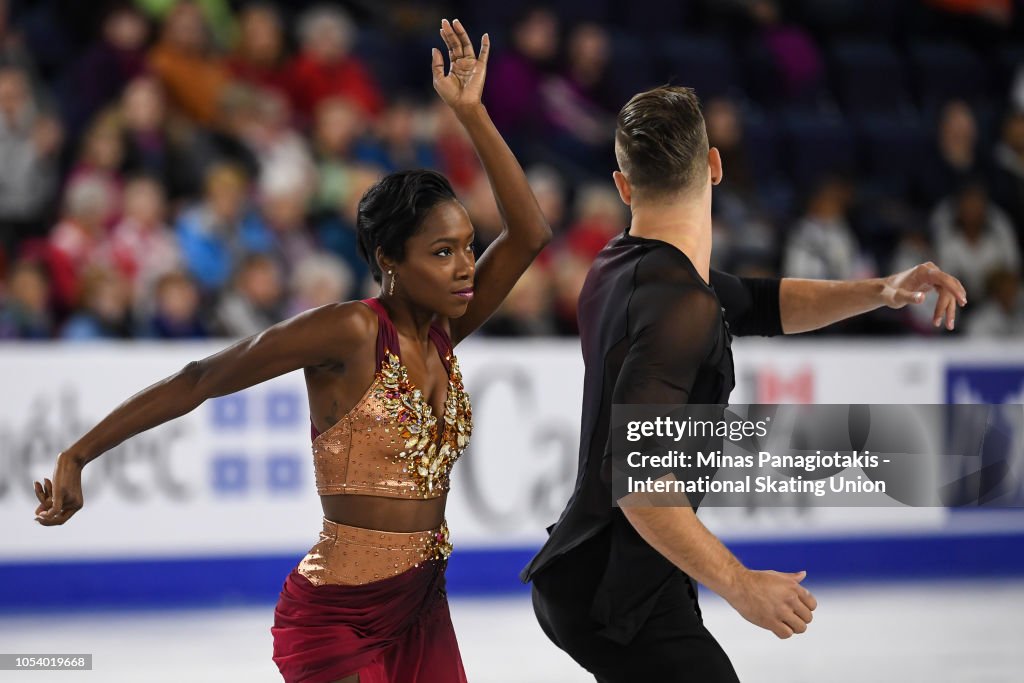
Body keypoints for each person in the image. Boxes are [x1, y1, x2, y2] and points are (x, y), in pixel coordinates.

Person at [33, 20, 551, 683]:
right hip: (336, 616)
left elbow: (529, 232)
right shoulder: (351, 331)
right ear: (389, 261)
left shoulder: (442, 332)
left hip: (421, 608)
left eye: (468, 246)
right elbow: (201, 377)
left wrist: (471, 115)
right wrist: (78, 454)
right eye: (443, 251)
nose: (465, 266)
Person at [522, 85, 968, 682]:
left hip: (614, 572)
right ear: (714, 165)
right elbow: (639, 481)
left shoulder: (624, 264)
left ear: (623, 187)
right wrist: (740, 584)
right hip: (614, 590)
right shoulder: (678, 302)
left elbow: (761, 303)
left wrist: (882, 290)